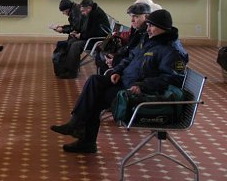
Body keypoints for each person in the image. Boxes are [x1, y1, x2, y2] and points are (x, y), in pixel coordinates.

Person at [50, 9, 186, 154]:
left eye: (151, 26)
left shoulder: (172, 51)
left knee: (94, 99)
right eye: (148, 25)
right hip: (125, 81)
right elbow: (130, 57)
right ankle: (76, 124)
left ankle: (83, 135)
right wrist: (117, 71)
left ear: (163, 27)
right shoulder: (150, 40)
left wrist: (143, 85)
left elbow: (172, 78)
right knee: (94, 81)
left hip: (138, 93)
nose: (148, 29)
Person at [58, 0, 111, 79]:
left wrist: (81, 35)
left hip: (97, 41)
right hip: (92, 37)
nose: (82, 13)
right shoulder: (91, 12)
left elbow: (96, 32)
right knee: (72, 41)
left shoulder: (96, 15)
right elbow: (88, 29)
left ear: (89, 8)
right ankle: (68, 67)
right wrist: (78, 33)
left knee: (76, 45)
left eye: (83, 11)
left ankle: (72, 72)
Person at [51, 0, 83, 77]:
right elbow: (75, 27)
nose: (63, 13)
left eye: (63, 12)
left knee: (72, 43)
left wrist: (62, 29)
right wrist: (62, 28)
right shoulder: (74, 10)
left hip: (85, 36)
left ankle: (71, 71)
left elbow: (76, 28)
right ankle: (67, 68)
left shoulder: (75, 12)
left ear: (67, 9)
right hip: (83, 34)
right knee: (70, 41)